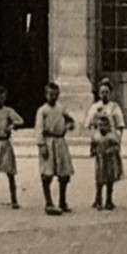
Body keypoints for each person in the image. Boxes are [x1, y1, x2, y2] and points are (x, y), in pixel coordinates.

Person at [34, 82, 76, 215]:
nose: (53, 97)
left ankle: (62, 201)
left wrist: (69, 125)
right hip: (48, 142)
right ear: (46, 95)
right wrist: (41, 145)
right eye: (50, 94)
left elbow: (70, 120)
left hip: (60, 141)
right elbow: (38, 129)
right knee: (47, 173)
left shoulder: (60, 107)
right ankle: (48, 202)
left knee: (64, 173)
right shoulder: (42, 110)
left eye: (55, 95)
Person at [90, 115, 124, 210]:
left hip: (109, 162)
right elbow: (92, 146)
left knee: (109, 181)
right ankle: (98, 200)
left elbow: (117, 147)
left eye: (104, 125)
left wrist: (110, 151)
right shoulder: (96, 136)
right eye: (100, 125)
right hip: (100, 161)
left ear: (108, 126)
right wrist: (93, 151)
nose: (102, 127)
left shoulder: (111, 136)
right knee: (99, 181)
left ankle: (109, 200)